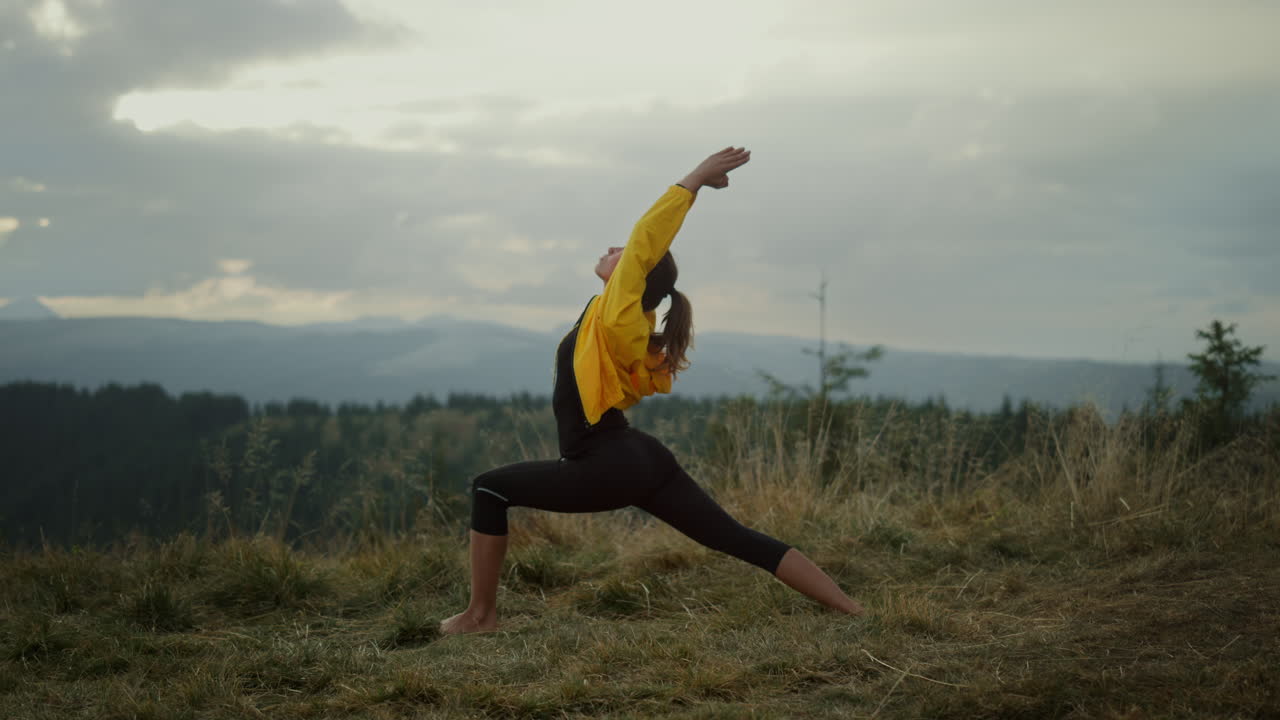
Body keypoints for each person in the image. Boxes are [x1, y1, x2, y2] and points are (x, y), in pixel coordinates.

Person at [441, 147, 865, 634]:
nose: (613, 249)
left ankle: (480, 616)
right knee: (735, 537)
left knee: (488, 488)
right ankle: (853, 611)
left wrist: (695, 179)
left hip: (604, 461)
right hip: (639, 457)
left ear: (633, 275)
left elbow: (647, 237)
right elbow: (639, 256)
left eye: (622, 253)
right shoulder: (628, 321)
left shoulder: (622, 315)